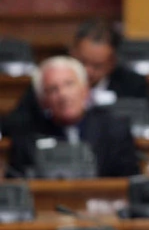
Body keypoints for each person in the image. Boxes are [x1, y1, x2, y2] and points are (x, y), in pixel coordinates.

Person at [2, 19, 149, 134]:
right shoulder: (51, 77)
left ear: (112, 62)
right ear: (72, 52)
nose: (87, 71)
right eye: (82, 61)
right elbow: (15, 122)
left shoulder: (132, 84)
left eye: (97, 66)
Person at [4, 56, 140, 178]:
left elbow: (129, 182)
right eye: (53, 89)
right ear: (43, 101)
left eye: (69, 84)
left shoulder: (114, 131)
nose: (63, 95)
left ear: (85, 90)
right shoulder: (28, 137)